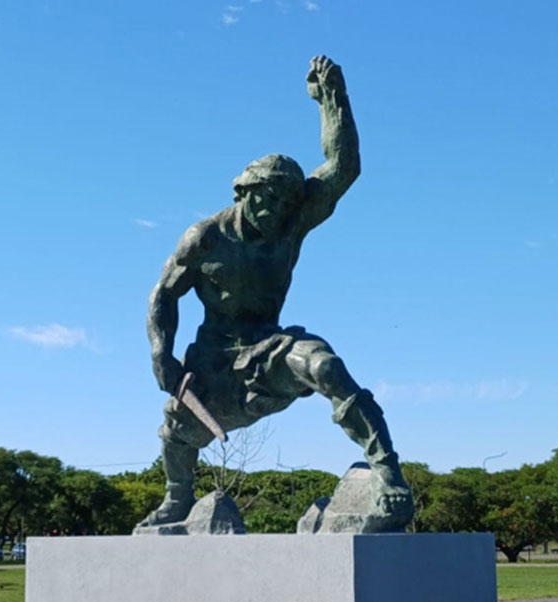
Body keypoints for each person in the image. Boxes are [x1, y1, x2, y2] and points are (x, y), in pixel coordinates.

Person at [140, 55, 412, 530]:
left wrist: (333, 100)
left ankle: (388, 473)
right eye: (267, 199)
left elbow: (344, 167)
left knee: (324, 365)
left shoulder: (291, 224)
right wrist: (162, 354)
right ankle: (177, 498)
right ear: (243, 192)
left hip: (270, 347)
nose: (277, 210)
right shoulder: (205, 238)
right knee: (176, 431)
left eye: (287, 201)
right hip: (214, 360)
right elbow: (164, 294)